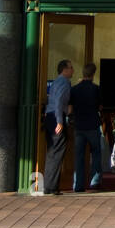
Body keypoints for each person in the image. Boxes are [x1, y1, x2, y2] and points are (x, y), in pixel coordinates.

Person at [70, 61, 103, 192]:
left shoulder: (75, 89)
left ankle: (78, 185)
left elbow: (70, 108)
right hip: (93, 124)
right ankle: (95, 181)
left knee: (79, 155)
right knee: (96, 153)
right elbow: (100, 106)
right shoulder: (96, 89)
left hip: (79, 126)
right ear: (93, 74)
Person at [44, 59, 73, 195]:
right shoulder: (64, 82)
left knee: (51, 152)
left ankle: (48, 185)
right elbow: (60, 101)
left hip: (49, 117)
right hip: (56, 117)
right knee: (57, 151)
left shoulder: (56, 82)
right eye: (70, 68)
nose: (72, 70)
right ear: (64, 70)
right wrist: (60, 121)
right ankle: (52, 186)